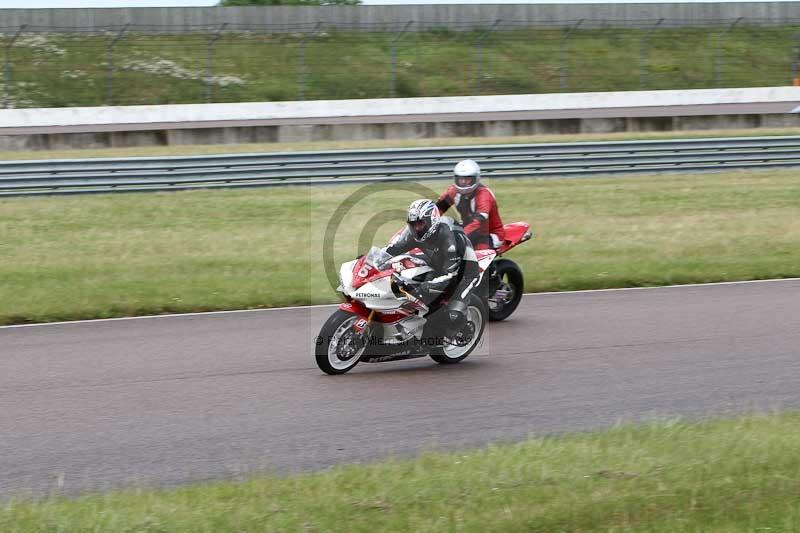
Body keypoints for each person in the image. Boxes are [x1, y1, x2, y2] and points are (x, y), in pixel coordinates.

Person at [383, 199, 479, 341]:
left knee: (453, 316)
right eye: (413, 224)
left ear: (432, 221)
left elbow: (451, 276)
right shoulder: (415, 233)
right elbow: (393, 249)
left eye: (420, 223)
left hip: (463, 273)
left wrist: (426, 287)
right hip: (436, 263)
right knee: (406, 281)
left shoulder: (450, 239)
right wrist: (372, 259)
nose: (416, 228)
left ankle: (450, 333)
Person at [435, 159, 505, 250]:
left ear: (475, 179)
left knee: (474, 257)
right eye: (460, 179)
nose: (463, 182)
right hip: (468, 229)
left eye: (467, 179)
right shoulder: (453, 191)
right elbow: (438, 209)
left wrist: (459, 237)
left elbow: (478, 222)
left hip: (488, 234)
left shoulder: (484, 195)